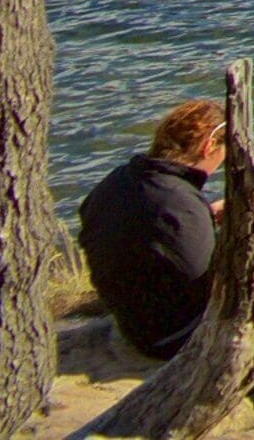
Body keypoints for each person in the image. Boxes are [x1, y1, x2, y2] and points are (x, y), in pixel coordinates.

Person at [78, 99, 231, 359]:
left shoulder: (118, 179)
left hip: (130, 321)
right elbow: (204, 282)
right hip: (172, 337)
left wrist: (203, 217)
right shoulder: (181, 202)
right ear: (209, 147)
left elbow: (144, 228)